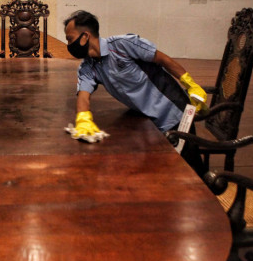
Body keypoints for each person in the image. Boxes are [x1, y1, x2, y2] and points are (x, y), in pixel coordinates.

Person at [63, 10, 207, 175]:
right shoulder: (88, 68)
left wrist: (190, 84)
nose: (69, 45)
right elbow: (83, 95)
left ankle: (211, 187)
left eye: (70, 39)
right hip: (148, 123)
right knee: (161, 172)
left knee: (190, 171)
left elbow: (163, 59)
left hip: (173, 113)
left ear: (85, 36)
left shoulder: (122, 45)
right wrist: (83, 118)